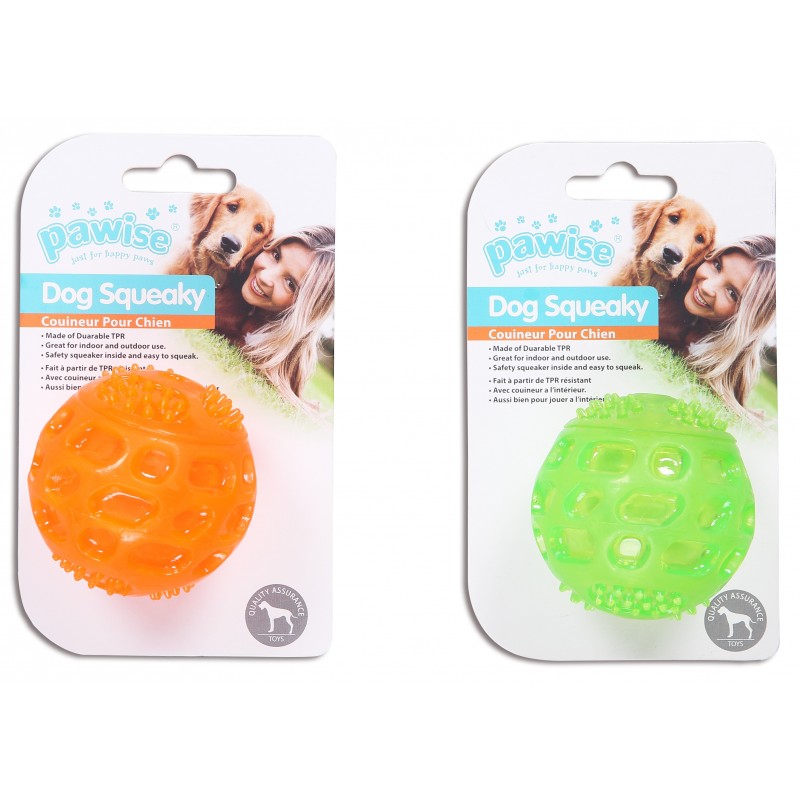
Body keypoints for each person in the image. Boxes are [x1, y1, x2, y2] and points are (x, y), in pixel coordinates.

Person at [215, 225, 335, 410]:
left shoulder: (277, 357)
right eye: (276, 255)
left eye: (290, 283)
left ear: (304, 310)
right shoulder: (225, 272)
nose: (265, 276)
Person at [658, 235, 775, 418]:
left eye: (732, 293)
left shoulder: (726, 364)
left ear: (745, 319)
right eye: (717, 266)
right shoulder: (668, 282)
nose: (707, 287)